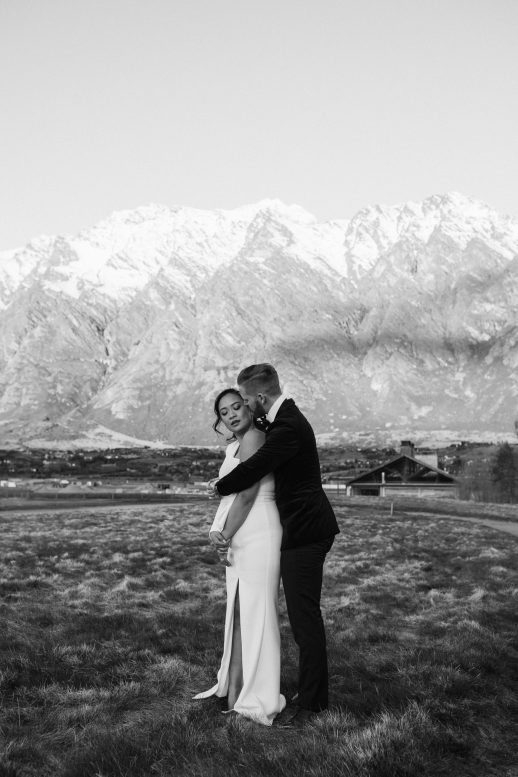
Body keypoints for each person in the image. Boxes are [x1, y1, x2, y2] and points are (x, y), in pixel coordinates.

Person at [210, 364, 339, 727]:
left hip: (306, 533)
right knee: (302, 617)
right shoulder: (281, 420)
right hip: (297, 531)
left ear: (261, 398)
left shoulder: (288, 427)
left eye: (246, 401)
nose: (245, 409)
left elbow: (256, 468)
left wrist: (217, 486)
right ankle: (310, 693)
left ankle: (313, 705)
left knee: (304, 619)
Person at [193, 388, 286, 726]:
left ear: (248, 406)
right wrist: (220, 527)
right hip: (241, 530)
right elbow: (231, 491)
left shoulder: (256, 438)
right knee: (239, 608)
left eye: (236, 406)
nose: (232, 414)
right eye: (224, 412)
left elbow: (247, 495)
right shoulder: (235, 445)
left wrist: (225, 534)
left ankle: (256, 693)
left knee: (257, 611)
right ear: (220, 420)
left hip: (258, 528)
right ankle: (234, 686)